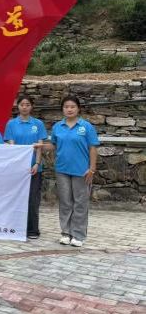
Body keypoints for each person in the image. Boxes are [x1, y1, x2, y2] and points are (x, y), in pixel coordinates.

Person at [37, 95, 99, 247]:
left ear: (78, 109)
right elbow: (53, 145)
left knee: (80, 203)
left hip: (82, 171)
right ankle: (66, 233)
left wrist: (92, 169)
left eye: (72, 106)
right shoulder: (58, 127)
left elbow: (93, 148)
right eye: (66, 107)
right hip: (62, 170)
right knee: (65, 202)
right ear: (62, 109)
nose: (69, 109)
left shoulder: (86, 127)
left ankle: (78, 235)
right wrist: (40, 147)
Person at [4, 95, 48, 240]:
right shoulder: (11, 124)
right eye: (22, 104)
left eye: (27, 104)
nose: (24, 107)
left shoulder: (38, 124)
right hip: (16, 169)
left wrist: (37, 163)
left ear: (31, 106)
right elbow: (11, 145)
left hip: (34, 168)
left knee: (33, 200)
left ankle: (32, 230)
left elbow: (40, 146)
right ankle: (15, 227)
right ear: (18, 106)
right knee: (15, 198)